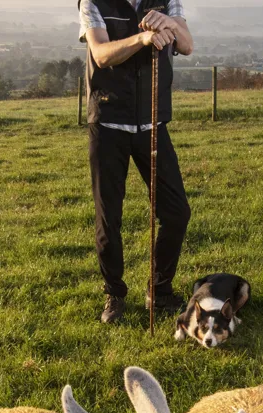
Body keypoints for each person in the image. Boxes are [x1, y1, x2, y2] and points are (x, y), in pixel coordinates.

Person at [79, 0, 194, 324]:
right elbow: (101, 54)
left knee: (176, 212)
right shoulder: (92, 2)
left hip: (153, 124)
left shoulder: (168, 1)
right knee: (109, 217)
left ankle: (159, 291)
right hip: (109, 124)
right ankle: (114, 294)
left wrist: (167, 25)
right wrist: (143, 38)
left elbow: (186, 45)